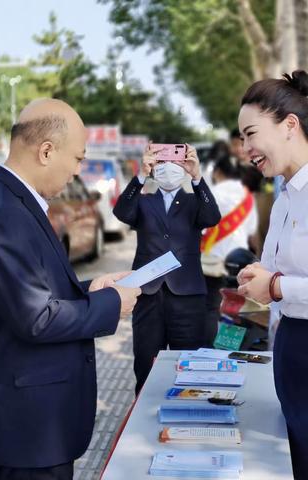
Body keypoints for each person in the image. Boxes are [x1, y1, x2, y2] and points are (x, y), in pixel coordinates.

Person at [0, 98, 141, 479]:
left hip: (34, 417)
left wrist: (92, 288)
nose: (77, 172)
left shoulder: (12, 201)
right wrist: (110, 304)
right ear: (46, 151)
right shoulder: (3, 212)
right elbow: (36, 317)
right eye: (77, 159)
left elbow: (31, 291)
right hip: (30, 423)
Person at [237, 69, 308, 479]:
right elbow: (272, 268)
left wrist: (277, 286)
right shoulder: (283, 197)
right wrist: (259, 278)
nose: (245, 148)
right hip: (290, 348)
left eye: (250, 133)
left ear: (290, 126)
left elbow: (281, 283)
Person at [113, 145, 221, 394]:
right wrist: (141, 175)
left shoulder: (194, 200)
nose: (168, 167)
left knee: (190, 364)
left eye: (174, 160)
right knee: (145, 364)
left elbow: (212, 217)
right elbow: (121, 212)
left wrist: (197, 177)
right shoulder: (144, 201)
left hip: (188, 297)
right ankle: (142, 416)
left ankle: (188, 418)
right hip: (148, 296)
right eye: (162, 161)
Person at [201, 155, 258, 345]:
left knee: (211, 307)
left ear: (217, 172)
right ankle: (233, 347)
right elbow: (251, 230)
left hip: (211, 262)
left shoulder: (211, 193)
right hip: (239, 262)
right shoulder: (247, 197)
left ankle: (209, 347)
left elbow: (200, 228)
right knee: (237, 307)